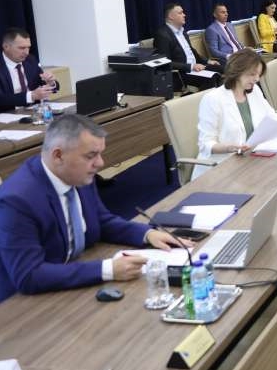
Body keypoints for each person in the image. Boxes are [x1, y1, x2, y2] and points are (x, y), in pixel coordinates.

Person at [0, 114, 186, 301]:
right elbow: (29, 275)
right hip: (25, 302)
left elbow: (100, 221)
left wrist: (147, 234)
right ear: (58, 155)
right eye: (91, 156)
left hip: (73, 274)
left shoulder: (77, 174)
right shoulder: (17, 200)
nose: (100, 163)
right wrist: (107, 269)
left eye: (100, 154)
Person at [195, 49, 277, 179]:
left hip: (250, 162)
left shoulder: (254, 91)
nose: (257, 79)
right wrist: (230, 147)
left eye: (258, 74)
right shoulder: (213, 99)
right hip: (221, 169)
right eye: (252, 74)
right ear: (236, 71)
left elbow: (274, 118)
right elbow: (205, 144)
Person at [153, 3, 222, 89]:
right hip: (182, 73)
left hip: (196, 68)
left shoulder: (183, 32)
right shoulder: (162, 35)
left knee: (222, 68)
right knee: (211, 79)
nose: (184, 15)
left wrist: (207, 61)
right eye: (180, 13)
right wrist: (191, 66)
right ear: (171, 16)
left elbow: (191, 51)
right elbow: (164, 63)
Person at [0, 27, 58, 111]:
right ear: (6, 47)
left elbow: (44, 85)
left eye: (28, 47)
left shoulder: (30, 60)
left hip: (33, 111)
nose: (26, 52)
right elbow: (2, 98)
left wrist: (50, 82)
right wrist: (31, 96)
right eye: (22, 48)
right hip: (7, 114)